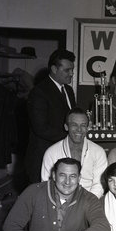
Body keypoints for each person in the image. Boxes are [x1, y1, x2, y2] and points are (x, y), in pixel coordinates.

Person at [25, 49, 77, 183]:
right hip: (43, 157)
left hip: (63, 155)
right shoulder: (39, 92)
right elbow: (41, 128)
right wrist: (71, 136)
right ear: (54, 69)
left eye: (72, 69)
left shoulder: (68, 90)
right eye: (67, 70)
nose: (71, 73)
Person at [41, 107, 107, 198]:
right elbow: (46, 185)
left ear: (88, 127)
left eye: (83, 125)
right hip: (60, 203)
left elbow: (99, 185)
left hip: (90, 203)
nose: (79, 129)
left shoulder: (98, 152)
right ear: (66, 127)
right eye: (74, 125)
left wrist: (85, 206)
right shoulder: (51, 152)